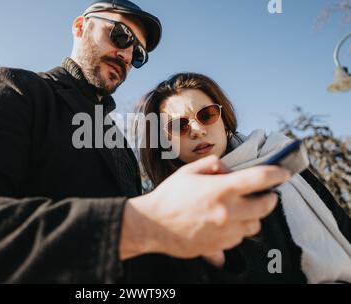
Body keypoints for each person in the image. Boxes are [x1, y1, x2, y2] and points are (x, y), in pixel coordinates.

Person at [0, 0, 290, 283]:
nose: (125, 53)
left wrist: (211, 256)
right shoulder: (19, 90)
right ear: (79, 26)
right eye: (119, 34)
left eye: (137, 53)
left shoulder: (120, 146)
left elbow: (138, 266)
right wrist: (142, 222)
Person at [136, 72, 351, 283]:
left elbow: (339, 221)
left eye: (207, 115)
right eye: (178, 126)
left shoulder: (278, 157)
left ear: (225, 121)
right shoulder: (173, 213)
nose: (197, 130)